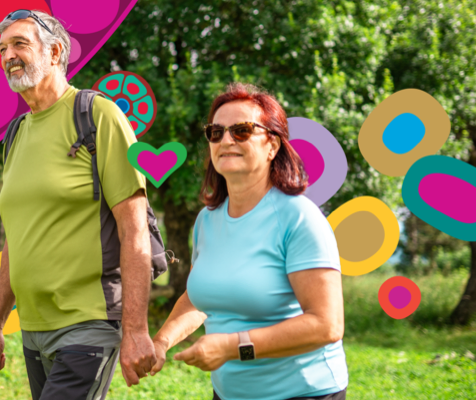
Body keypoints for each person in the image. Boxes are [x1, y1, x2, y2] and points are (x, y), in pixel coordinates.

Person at [0, 9, 158, 399]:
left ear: (55, 51)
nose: (8, 55)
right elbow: (17, 239)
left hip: (88, 322)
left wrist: (136, 330)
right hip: (33, 330)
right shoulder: (17, 133)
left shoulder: (97, 115)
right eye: (3, 48)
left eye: (20, 44)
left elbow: (134, 230)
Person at [149, 83, 348, 400]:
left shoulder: (300, 218)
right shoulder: (207, 220)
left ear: (272, 146)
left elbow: (326, 325)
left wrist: (232, 346)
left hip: (303, 393)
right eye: (215, 132)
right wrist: (160, 342)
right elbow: (201, 297)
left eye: (241, 130)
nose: (226, 140)